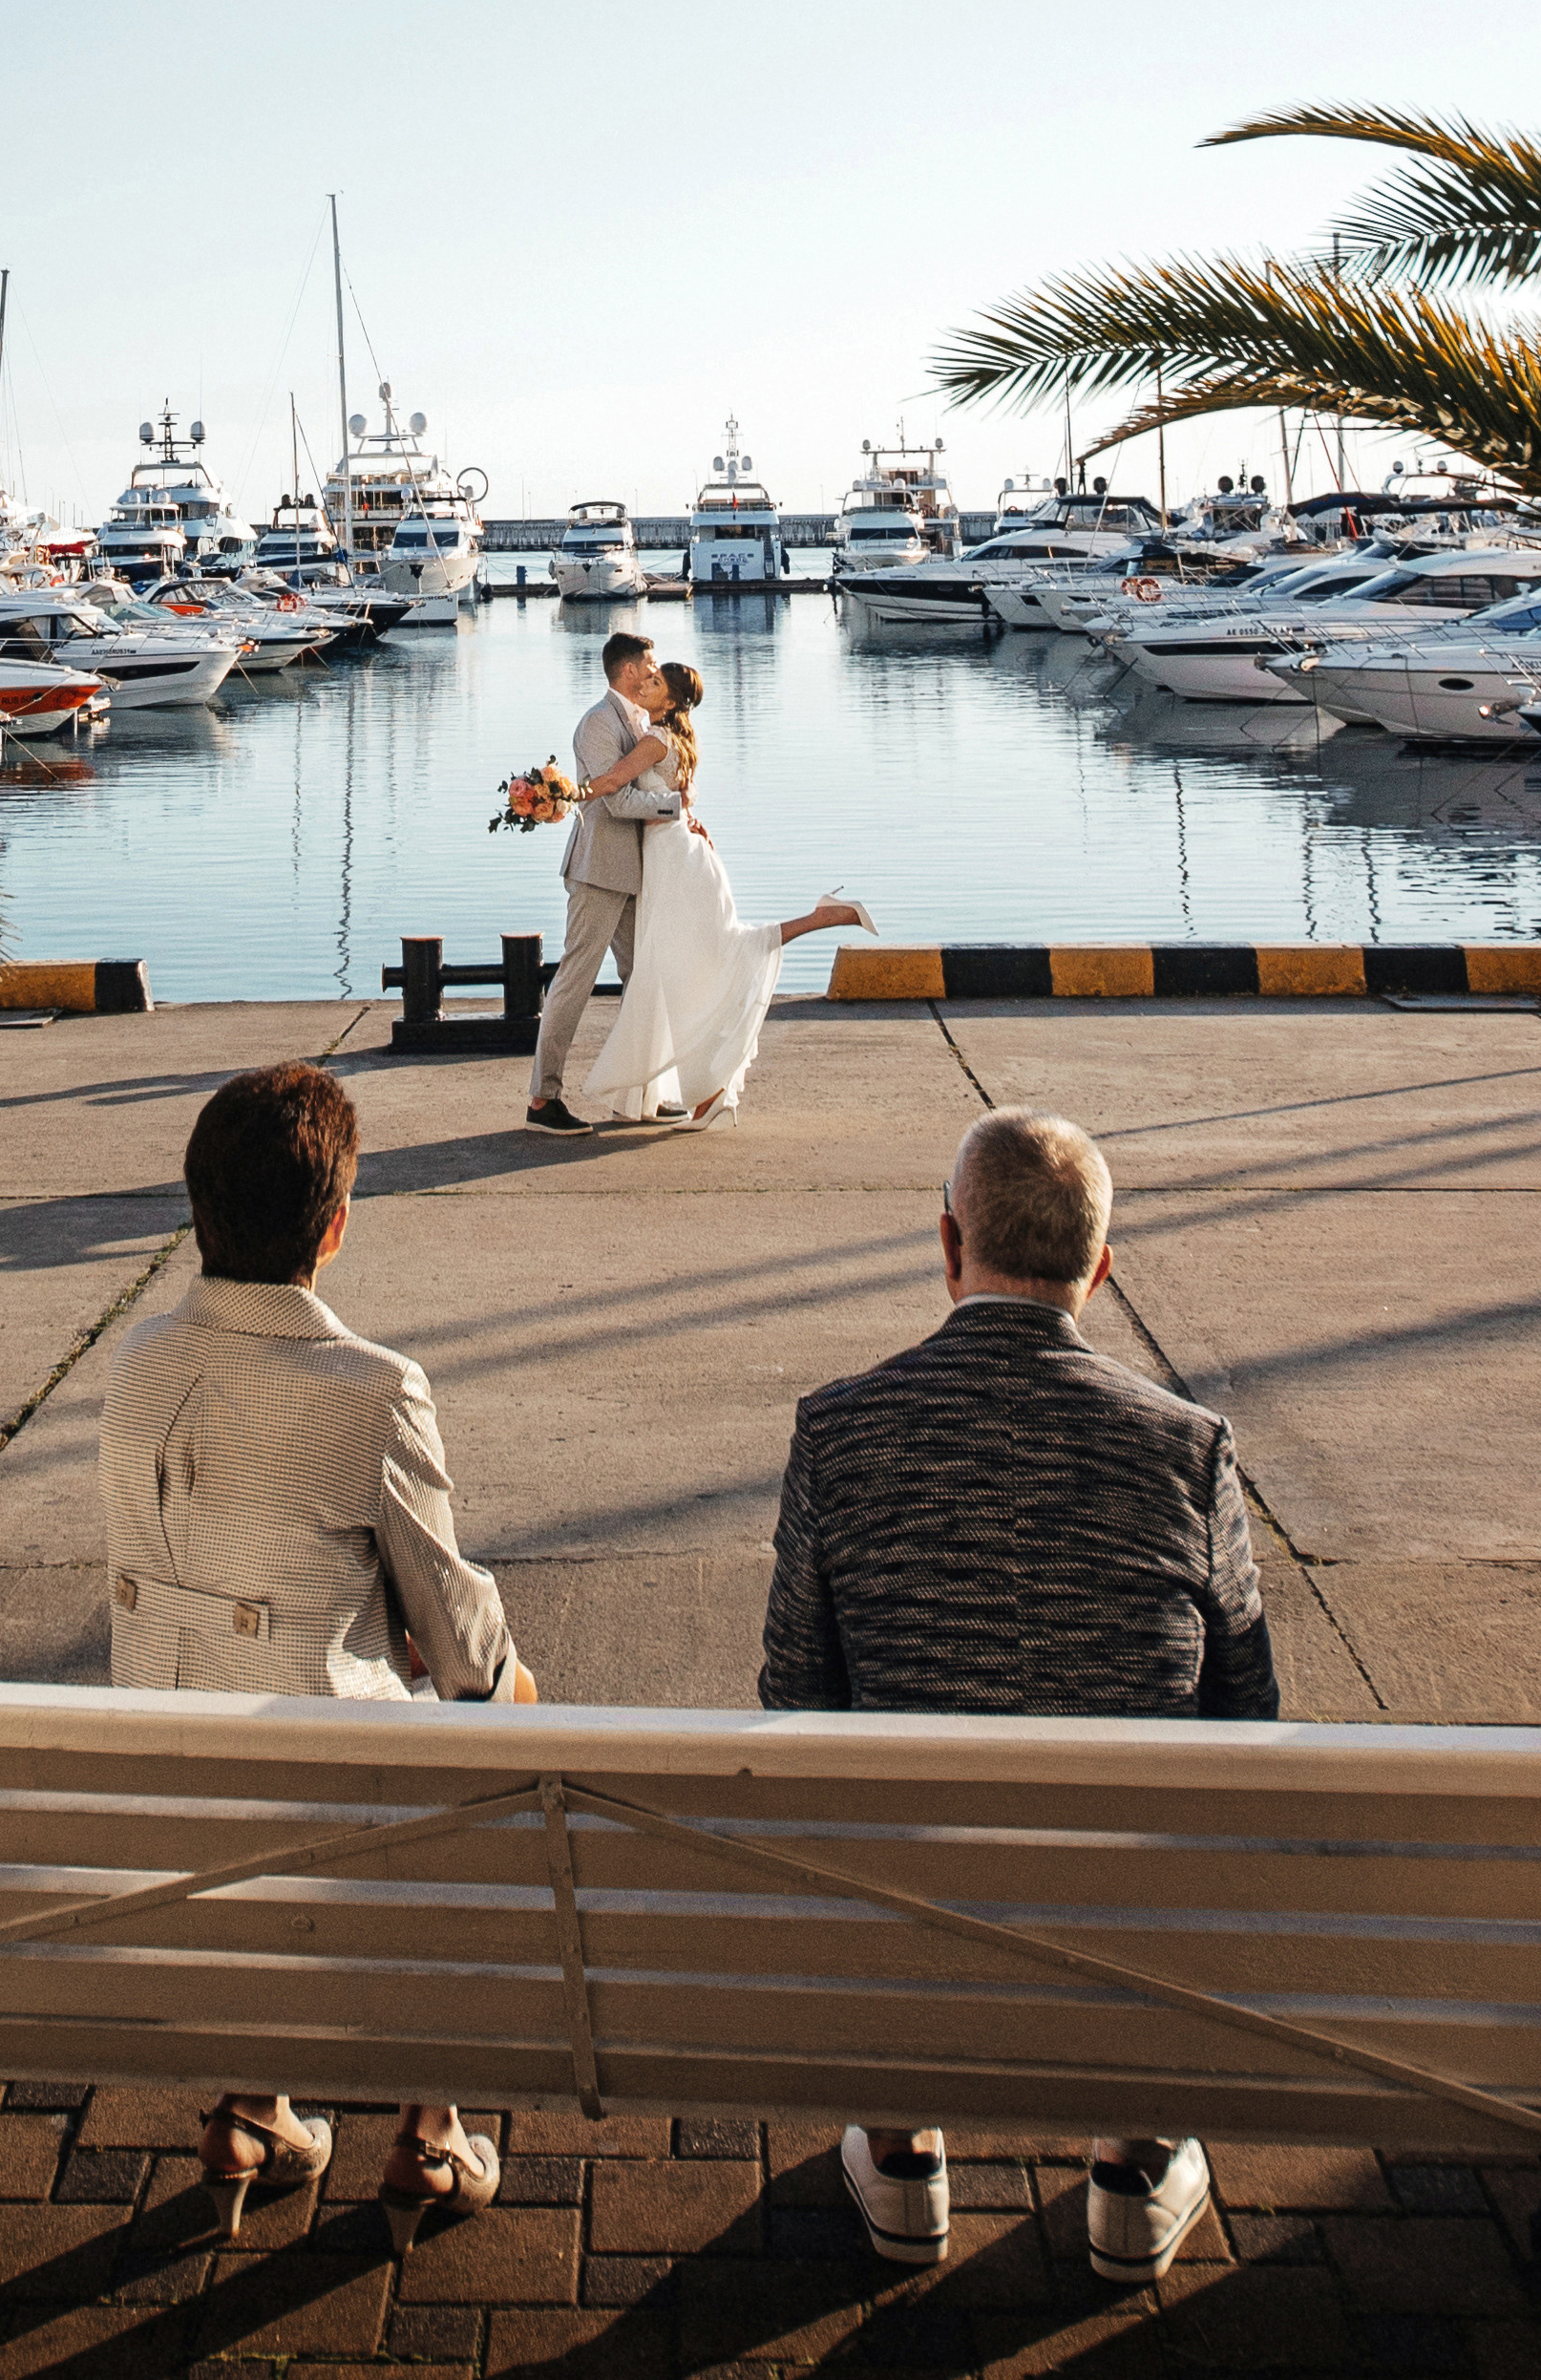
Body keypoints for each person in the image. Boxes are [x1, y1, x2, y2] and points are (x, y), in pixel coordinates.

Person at [758, 1107, 1278, 2286]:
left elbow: (793, 1696)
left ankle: (899, 2152)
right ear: (1100, 1273)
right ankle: (1134, 2167)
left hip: (914, 1925)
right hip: (1122, 1943)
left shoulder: (840, 1431)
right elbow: (1249, 1719)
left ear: (947, 1247)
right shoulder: (1185, 1448)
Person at [100, 1061, 537, 2252]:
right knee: (489, 1730)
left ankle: (251, 2106)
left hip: (171, 1803)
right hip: (331, 1804)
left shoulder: (134, 1367)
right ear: (334, 1228)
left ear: (195, 1212)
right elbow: (454, 1638)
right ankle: (432, 2130)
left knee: (263, 1732)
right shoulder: (373, 1391)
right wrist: (502, 1686)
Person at [576, 658, 874, 1129]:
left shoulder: (655, 740)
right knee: (688, 968)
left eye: (655, 683)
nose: (647, 685)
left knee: (690, 970)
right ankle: (675, 1096)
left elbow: (613, 782)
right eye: (648, 678)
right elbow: (663, 798)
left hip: (676, 862)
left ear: (670, 701)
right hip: (677, 857)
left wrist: (558, 796)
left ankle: (707, 1091)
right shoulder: (673, 737)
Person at [526, 630, 686, 1135]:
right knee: (575, 982)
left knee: (645, 981)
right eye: (650, 664)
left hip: (640, 873)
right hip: (599, 871)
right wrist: (677, 808)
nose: (655, 671)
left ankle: (641, 1093)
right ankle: (541, 1100)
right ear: (629, 670)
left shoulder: (645, 720)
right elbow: (613, 802)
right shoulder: (598, 723)